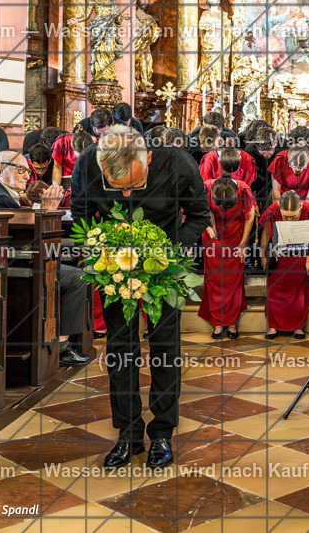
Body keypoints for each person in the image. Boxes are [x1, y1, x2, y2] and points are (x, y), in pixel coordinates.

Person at [71, 126, 210, 470]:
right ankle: (128, 434)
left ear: (147, 157)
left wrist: (171, 253)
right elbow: (81, 211)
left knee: (165, 348)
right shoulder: (88, 162)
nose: (129, 195)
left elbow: (199, 215)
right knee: (121, 350)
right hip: (116, 269)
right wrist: (101, 247)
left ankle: (162, 432)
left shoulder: (177, 163)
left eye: (134, 185)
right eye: (119, 190)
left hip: (165, 269)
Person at [0, 150, 89, 367]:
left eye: (28, 171)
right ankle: (62, 346)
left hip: (8, 262)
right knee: (78, 278)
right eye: (21, 170)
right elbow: (29, 243)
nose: (28, 176)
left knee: (70, 261)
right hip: (11, 268)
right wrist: (48, 212)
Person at [199, 173, 257, 339]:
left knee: (233, 280)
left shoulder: (244, 189)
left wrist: (243, 244)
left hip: (236, 235)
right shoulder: (205, 187)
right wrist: (208, 228)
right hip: (212, 236)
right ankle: (218, 323)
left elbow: (250, 216)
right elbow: (200, 211)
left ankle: (232, 323)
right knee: (214, 279)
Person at [259, 191, 309, 339]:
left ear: (300, 209)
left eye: (294, 216)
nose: (290, 220)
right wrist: (263, 255)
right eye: (286, 217)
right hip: (278, 254)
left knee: (299, 293)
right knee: (274, 289)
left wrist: (308, 261)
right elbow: (266, 234)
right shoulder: (272, 211)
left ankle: (298, 327)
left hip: (302, 254)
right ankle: (273, 326)